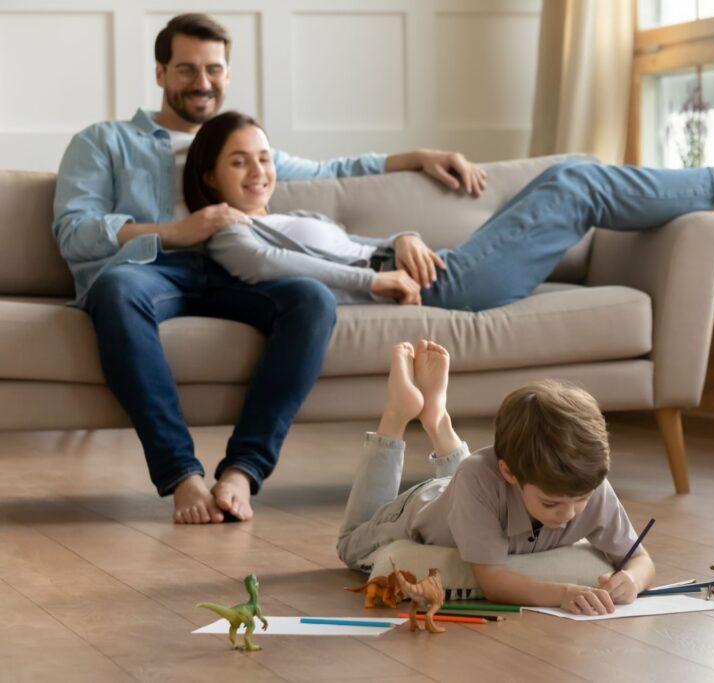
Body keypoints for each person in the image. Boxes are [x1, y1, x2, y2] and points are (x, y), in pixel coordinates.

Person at [52, 13, 487, 525]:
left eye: (214, 69)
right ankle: (181, 476)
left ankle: (243, 470)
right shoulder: (104, 141)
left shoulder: (239, 143)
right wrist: (175, 230)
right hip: (155, 267)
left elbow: (333, 171)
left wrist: (417, 155)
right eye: (186, 69)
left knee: (311, 297)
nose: (202, 82)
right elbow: (73, 231)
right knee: (118, 288)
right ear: (160, 73)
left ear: (228, 74)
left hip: (240, 267)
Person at [188, 111, 714, 311]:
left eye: (265, 158)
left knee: (568, 173)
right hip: (430, 289)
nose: (260, 172)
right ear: (210, 175)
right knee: (576, 185)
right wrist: (377, 278)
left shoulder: (289, 210)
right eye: (240, 162)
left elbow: (351, 240)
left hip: (430, 265)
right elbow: (276, 271)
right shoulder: (226, 232)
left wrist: (403, 234)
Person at [338, 340, 655, 615]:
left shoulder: (588, 481)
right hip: (422, 505)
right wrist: (563, 593)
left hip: (472, 494)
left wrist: (632, 580)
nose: (570, 514)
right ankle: (397, 413)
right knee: (350, 546)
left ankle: (436, 417)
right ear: (510, 472)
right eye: (551, 503)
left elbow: (641, 560)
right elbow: (492, 583)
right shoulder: (479, 478)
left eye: (581, 500)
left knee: (474, 482)